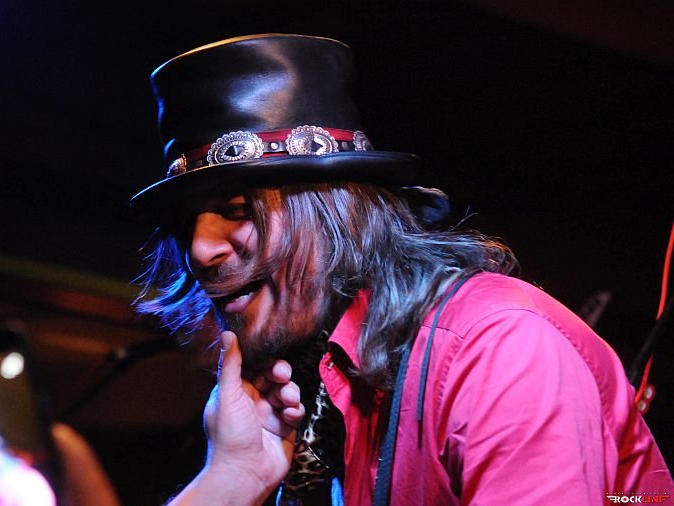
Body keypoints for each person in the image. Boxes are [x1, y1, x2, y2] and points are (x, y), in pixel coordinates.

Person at [121, 34, 673, 505]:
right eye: (187, 224)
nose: (200, 249)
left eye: (237, 208)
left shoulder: (495, 345)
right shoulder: (322, 387)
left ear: (335, 213)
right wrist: (230, 479)